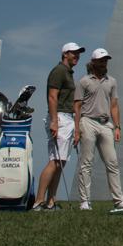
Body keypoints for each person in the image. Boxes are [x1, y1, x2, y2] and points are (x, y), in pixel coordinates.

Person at [73, 48, 123, 210]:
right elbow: (77, 106)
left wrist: (117, 126)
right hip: (87, 121)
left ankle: (119, 200)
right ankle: (85, 201)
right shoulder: (83, 81)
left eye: (106, 60)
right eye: (101, 60)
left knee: (112, 162)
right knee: (86, 163)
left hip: (106, 124)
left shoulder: (112, 81)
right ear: (93, 62)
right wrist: (76, 129)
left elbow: (114, 105)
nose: (104, 63)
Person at [33, 41, 84, 211]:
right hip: (60, 117)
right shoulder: (59, 71)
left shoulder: (68, 72)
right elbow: (52, 97)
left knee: (60, 161)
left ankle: (51, 202)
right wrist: (54, 121)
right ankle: (39, 202)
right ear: (64, 54)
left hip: (66, 117)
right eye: (73, 53)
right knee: (55, 161)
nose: (77, 56)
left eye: (78, 53)